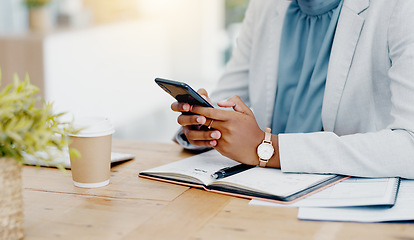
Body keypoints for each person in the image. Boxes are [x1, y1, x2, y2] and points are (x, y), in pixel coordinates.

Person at [171, 0, 414, 179]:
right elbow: (226, 100)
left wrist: (266, 148)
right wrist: (207, 124)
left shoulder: (400, 8)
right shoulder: (264, 7)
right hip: (264, 190)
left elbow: (409, 146)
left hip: (351, 201)